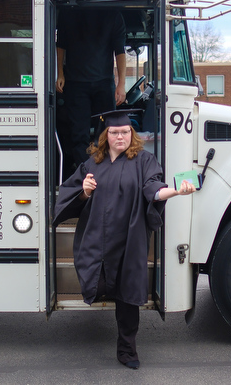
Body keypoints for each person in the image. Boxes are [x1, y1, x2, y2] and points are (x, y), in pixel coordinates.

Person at [53, 110, 196, 370]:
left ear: (133, 134)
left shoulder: (144, 160)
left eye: (126, 132)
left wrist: (175, 190)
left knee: (128, 295)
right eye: (115, 132)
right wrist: (84, 192)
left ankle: (127, 350)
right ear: (105, 135)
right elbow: (72, 193)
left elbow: (153, 187)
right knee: (99, 284)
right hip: (98, 236)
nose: (121, 136)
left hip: (130, 239)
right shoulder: (92, 164)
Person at [55, 8, 127, 171]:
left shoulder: (113, 14)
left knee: (108, 132)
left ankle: (105, 171)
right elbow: (61, 45)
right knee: (79, 135)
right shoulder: (69, 13)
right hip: (75, 82)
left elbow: (120, 51)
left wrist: (121, 84)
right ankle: (86, 173)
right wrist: (60, 73)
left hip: (103, 82)